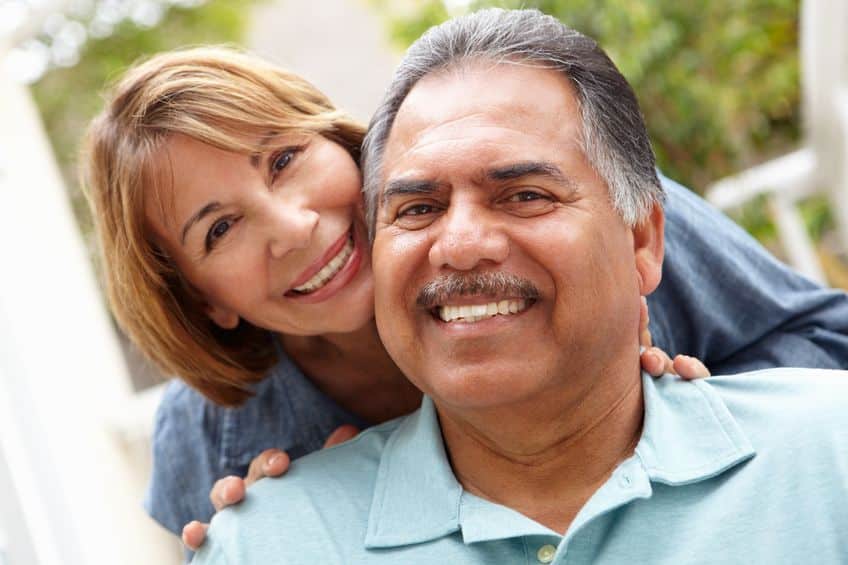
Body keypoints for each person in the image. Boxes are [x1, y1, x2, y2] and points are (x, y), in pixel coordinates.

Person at [81, 42, 844, 553]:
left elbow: (824, 343)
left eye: (283, 159)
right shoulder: (211, 439)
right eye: (219, 229)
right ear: (203, 297)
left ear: (341, 142)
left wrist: (707, 414)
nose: (293, 226)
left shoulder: (581, 221)